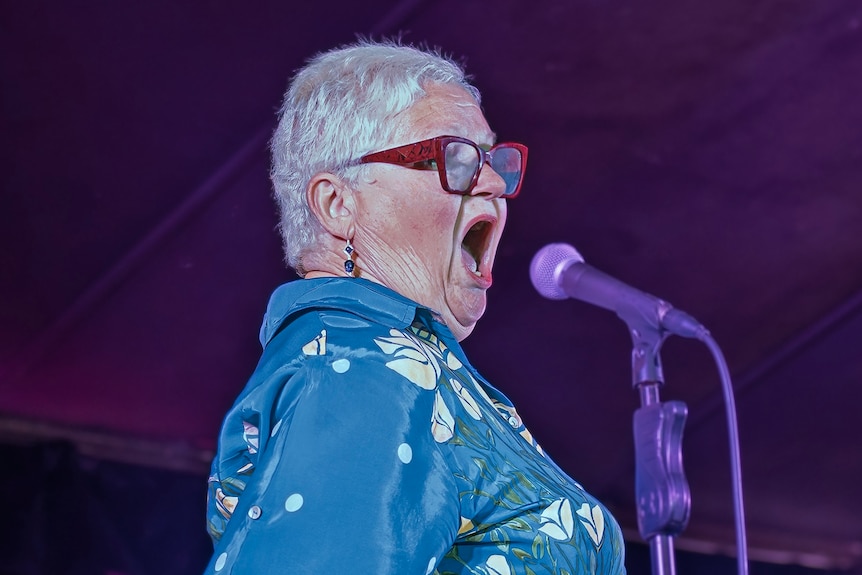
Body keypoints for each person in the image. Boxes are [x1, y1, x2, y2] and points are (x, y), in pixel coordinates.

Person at [204, 40, 626, 575]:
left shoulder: (390, 366)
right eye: (456, 158)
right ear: (338, 203)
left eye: (492, 160)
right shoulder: (361, 366)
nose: (495, 183)